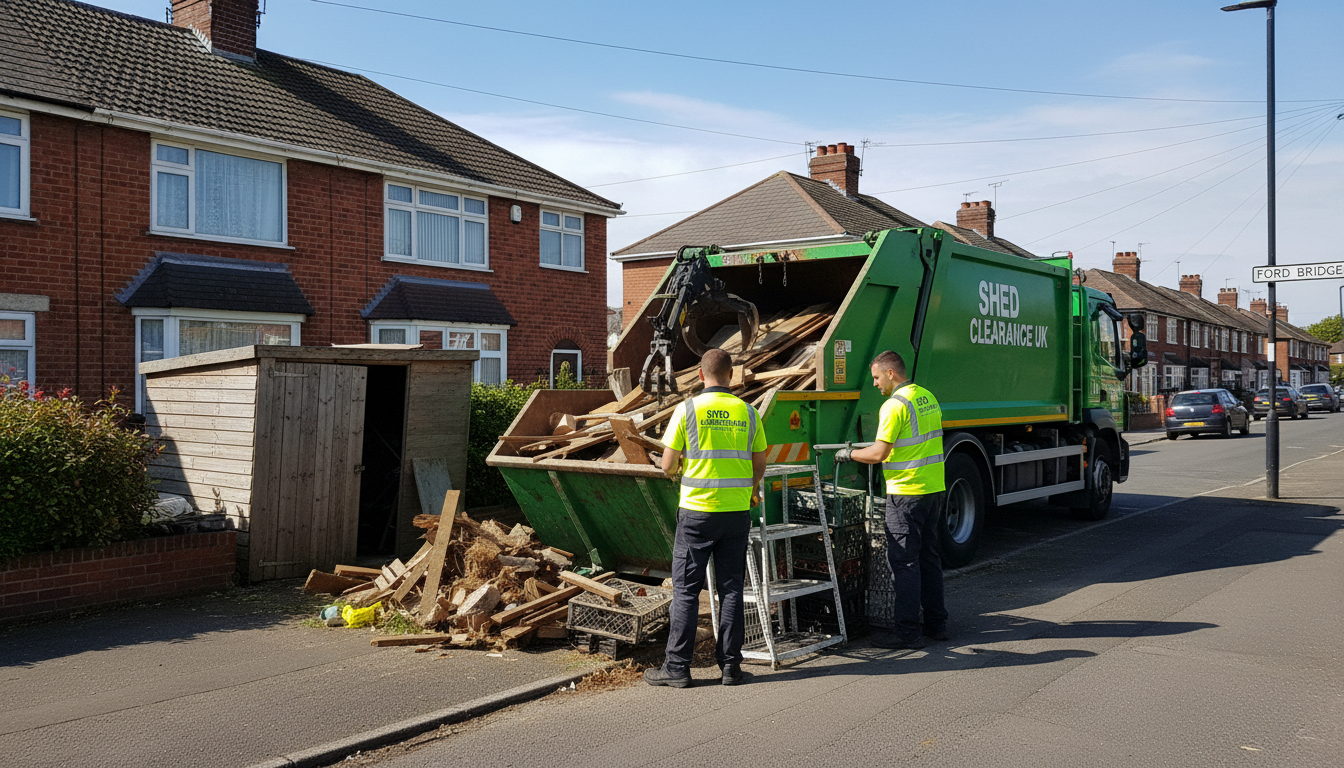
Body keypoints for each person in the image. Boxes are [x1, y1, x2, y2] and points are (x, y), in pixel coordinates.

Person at [644, 348, 768, 688]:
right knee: (730, 591)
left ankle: (678, 669)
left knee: (685, 591)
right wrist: (749, 487)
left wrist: (675, 466)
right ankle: (730, 668)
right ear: (731, 375)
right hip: (735, 513)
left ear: (700, 375)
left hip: (697, 514)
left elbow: (668, 466)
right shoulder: (749, 413)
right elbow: (759, 465)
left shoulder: (687, 410)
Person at [835, 350, 948, 649]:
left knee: (905, 563)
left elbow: (878, 453)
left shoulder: (894, 405)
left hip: (906, 494)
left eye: (875, 377)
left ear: (890, 373)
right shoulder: (927, 397)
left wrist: (848, 454)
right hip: (933, 489)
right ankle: (937, 625)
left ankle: (908, 632)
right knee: (929, 557)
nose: (874, 384)